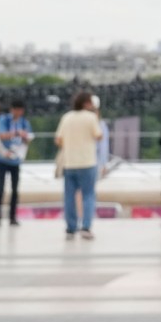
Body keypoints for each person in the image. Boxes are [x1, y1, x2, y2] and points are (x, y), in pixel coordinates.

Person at [55, 92, 103, 240]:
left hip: (69, 162)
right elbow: (99, 136)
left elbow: (58, 140)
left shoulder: (67, 117)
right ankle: (86, 227)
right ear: (87, 103)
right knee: (88, 195)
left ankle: (70, 228)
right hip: (87, 162)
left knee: (69, 196)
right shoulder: (90, 118)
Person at [0, 99, 31, 227]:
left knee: (15, 190)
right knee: (1, 188)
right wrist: (16, 133)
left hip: (16, 159)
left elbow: (27, 138)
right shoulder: (4, 120)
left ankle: (12, 217)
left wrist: (25, 138)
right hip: (3, 158)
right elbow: (1, 135)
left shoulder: (24, 122)